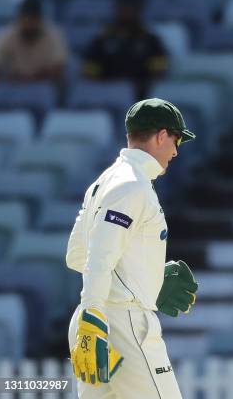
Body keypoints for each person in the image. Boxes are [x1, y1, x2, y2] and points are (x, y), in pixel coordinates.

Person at [66, 98, 198, 398]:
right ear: (162, 136)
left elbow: (77, 256)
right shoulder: (132, 185)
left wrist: (148, 278)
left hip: (95, 320)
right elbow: (98, 258)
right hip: (120, 324)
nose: (176, 151)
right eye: (176, 140)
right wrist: (95, 317)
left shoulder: (105, 181)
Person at [82, 0, 167, 98]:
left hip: (141, 98)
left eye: (130, 7)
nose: (126, 11)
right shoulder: (101, 40)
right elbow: (90, 74)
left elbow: (159, 73)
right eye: (122, 7)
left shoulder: (150, 40)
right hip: (107, 97)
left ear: (138, 10)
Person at [0, 0, 68, 82]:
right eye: (25, 19)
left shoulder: (54, 34)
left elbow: (59, 68)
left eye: (32, 19)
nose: (29, 24)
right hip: (13, 85)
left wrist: (33, 78)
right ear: (19, 19)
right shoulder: (6, 35)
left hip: (43, 84)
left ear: (40, 19)